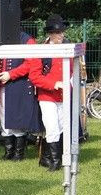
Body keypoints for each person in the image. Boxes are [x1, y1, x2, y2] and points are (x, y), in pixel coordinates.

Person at [0, 30, 41, 161]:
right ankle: (9, 151)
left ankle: (19, 153)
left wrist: (11, 74)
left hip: (19, 84)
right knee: (4, 116)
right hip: (3, 85)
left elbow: (31, 63)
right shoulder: (2, 37)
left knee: (17, 117)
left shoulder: (26, 39)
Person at [28, 14, 70, 172]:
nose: (62, 35)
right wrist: (55, 84)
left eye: (62, 32)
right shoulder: (41, 50)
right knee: (52, 127)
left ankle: (52, 159)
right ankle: (55, 162)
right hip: (47, 95)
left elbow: (72, 71)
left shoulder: (67, 47)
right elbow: (34, 77)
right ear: (51, 34)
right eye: (58, 33)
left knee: (60, 127)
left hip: (64, 95)